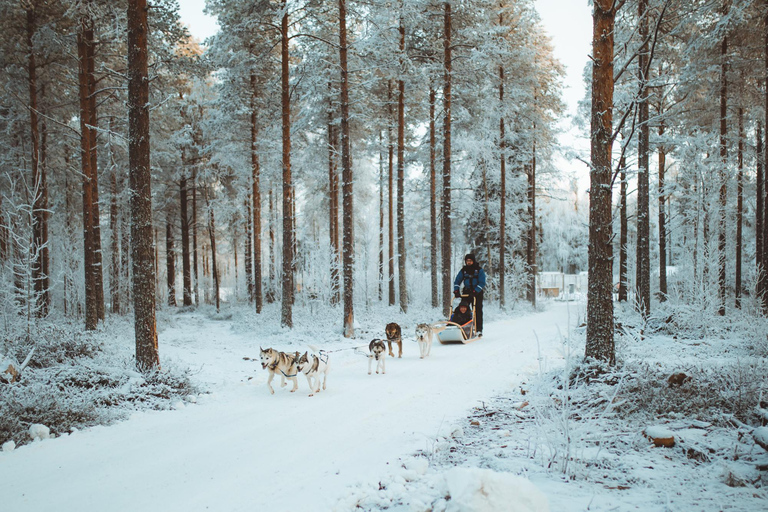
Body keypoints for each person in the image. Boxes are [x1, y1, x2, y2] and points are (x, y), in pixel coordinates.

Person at [453, 253, 486, 336]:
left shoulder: (479, 270)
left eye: (470, 261)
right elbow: (457, 280)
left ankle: (478, 329)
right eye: (467, 261)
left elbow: (482, 282)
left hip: (477, 292)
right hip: (467, 292)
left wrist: (475, 291)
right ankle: (463, 327)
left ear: (473, 261)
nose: (469, 262)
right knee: (463, 309)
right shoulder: (463, 270)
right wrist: (456, 290)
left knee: (477, 310)